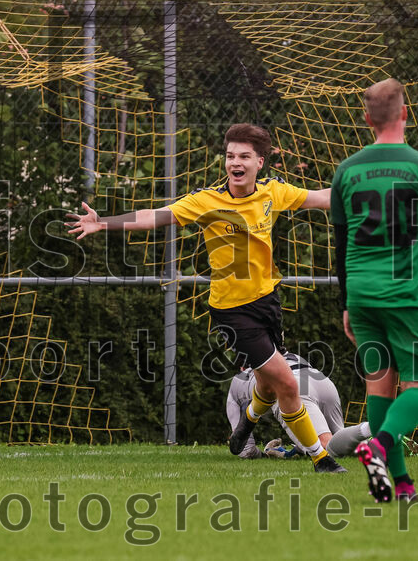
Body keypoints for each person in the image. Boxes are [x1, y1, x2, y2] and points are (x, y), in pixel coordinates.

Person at [68, 122, 347, 473]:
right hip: (232, 312)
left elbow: (321, 198)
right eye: (230, 155)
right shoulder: (207, 200)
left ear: (260, 162)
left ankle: (247, 421)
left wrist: (362, 188)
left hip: (267, 302)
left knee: (266, 383)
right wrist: (103, 222)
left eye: (244, 156)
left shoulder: (272, 193)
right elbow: (156, 217)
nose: (235, 162)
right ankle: (321, 459)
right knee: (287, 383)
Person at [331, 78, 418, 502]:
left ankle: (402, 482)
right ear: (405, 114)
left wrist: (346, 303)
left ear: (367, 119)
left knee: (379, 383)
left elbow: (340, 243)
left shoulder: (347, 170)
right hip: (406, 295)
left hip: (362, 294)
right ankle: (379, 446)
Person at [226, 351, 373, 459]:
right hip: (322, 381)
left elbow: (245, 450)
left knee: (325, 447)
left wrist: (264, 455)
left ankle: (375, 427)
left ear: (242, 367)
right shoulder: (289, 355)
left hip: (293, 388)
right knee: (343, 443)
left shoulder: (239, 380)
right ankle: (381, 441)